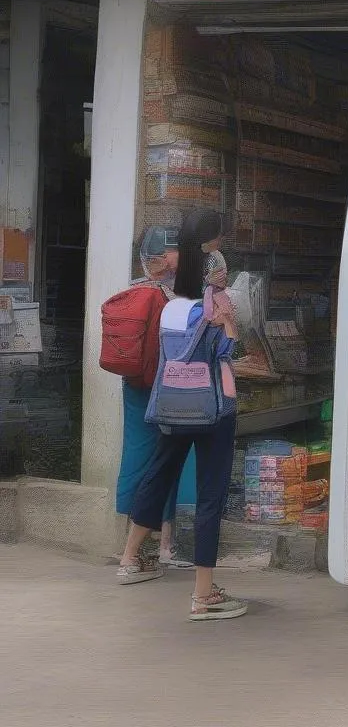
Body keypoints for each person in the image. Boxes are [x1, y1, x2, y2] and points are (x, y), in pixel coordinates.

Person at [117, 208, 247, 622]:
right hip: (214, 409)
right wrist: (229, 325)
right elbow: (227, 354)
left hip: (174, 407)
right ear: (212, 262)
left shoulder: (171, 306)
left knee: (158, 472)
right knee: (210, 496)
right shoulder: (217, 303)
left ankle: (130, 558)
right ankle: (204, 594)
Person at [115, 227, 191, 567]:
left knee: (136, 455)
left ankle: (128, 541)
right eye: (175, 252)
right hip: (166, 383)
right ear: (163, 258)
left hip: (134, 381)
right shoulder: (175, 295)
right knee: (171, 457)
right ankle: (164, 544)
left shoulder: (132, 289)